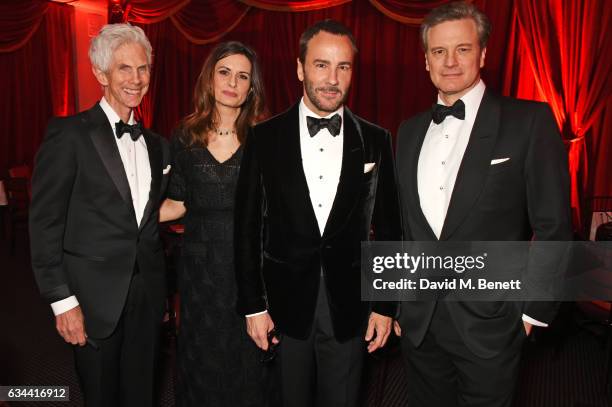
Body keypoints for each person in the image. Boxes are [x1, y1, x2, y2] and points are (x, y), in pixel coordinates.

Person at [394, 2, 572, 406]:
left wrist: (530, 315)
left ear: (484, 54)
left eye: (463, 48)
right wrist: (400, 300)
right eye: (439, 52)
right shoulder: (407, 132)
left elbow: (553, 227)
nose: (451, 61)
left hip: (492, 324)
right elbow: (407, 229)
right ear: (426, 61)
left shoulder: (528, 121)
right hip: (420, 326)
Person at [234, 19, 402, 407]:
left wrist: (385, 305)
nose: (332, 78)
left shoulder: (376, 139)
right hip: (283, 305)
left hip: (350, 307)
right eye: (321, 65)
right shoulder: (264, 137)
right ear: (300, 68)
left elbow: (391, 228)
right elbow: (245, 230)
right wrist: (253, 306)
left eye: (343, 67)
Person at [29, 24, 169, 406]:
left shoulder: (157, 146)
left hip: (147, 294)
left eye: (142, 69)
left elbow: (150, 214)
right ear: (100, 74)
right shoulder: (70, 134)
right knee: (102, 396)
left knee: (143, 393)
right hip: (91, 299)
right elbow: (44, 225)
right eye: (124, 69)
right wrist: (62, 301)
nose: (136, 80)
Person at [159, 41, 269, 406]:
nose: (232, 83)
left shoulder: (264, 138)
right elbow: (176, 204)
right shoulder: (185, 135)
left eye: (242, 76)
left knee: (247, 358)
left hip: (249, 267)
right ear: (210, 78)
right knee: (202, 354)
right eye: (225, 72)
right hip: (199, 269)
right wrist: (124, 218)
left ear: (251, 87)